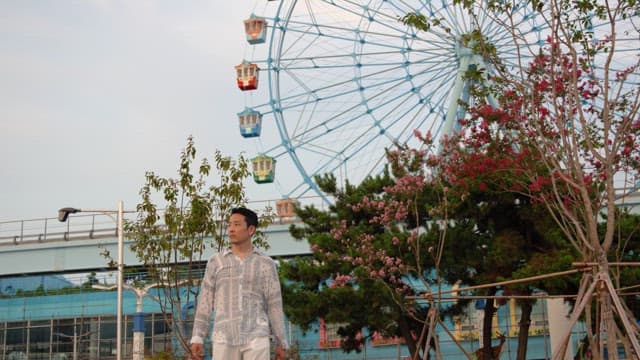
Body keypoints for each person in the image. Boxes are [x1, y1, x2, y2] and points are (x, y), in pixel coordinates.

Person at [190, 207, 288, 360]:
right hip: (224, 336)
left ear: (250, 229)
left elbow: (274, 303)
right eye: (229, 225)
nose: (230, 229)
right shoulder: (216, 262)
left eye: (236, 225)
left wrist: (281, 341)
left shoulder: (266, 264)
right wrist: (197, 337)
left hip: (257, 335)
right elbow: (205, 301)